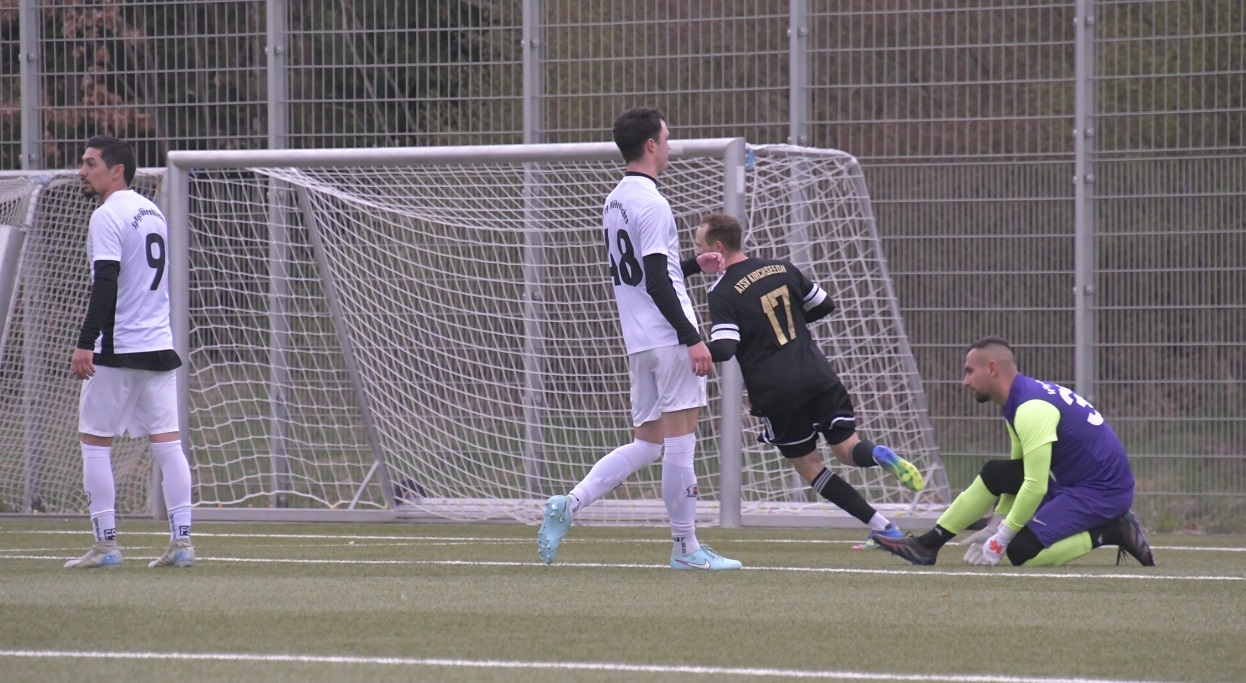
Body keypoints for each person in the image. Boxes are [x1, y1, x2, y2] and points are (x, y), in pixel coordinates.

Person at [537, 107, 741, 570]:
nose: (670, 146)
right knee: (681, 444)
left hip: (640, 340)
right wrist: (692, 338)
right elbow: (655, 279)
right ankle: (686, 548)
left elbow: (648, 271)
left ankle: (570, 503)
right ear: (651, 145)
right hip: (669, 337)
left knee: (649, 443)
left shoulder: (614, 201)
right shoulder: (654, 202)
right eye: (666, 139)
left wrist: (692, 265)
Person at [692, 211, 925, 543]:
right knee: (847, 448)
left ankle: (886, 527)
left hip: (776, 392)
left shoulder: (722, 291)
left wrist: (692, 349)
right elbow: (824, 304)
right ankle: (878, 454)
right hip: (817, 374)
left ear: (717, 247)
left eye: (698, 247)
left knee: (810, 467)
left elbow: (726, 347)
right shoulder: (782, 267)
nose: (696, 254)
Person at [869, 336, 1155, 567]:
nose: (965, 381)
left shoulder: (1030, 409)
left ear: (992, 369)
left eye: (969, 371)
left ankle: (1113, 530)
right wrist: (996, 523)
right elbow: (1016, 474)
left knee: (1021, 552)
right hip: (1074, 482)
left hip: (1102, 493)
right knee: (997, 472)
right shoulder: (1017, 401)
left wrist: (1002, 537)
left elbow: (1035, 485)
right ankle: (927, 545)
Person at [65, 135, 196, 569]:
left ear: (117, 170)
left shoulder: (107, 214)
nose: (82, 171)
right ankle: (182, 543)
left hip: (118, 349)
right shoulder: (151, 211)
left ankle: (106, 546)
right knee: (168, 444)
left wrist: (87, 341)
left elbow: (105, 281)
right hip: (158, 346)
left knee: (95, 443)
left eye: (91, 163)